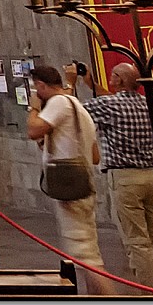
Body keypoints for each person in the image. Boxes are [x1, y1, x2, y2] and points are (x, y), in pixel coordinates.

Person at [83, 61, 153, 293]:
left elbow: (75, 110)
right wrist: (91, 84)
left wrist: (70, 82)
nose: (110, 79)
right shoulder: (148, 104)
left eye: (113, 76)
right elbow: (114, 101)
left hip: (125, 178)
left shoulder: (108, 104)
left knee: (138, 242)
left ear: (120, 80)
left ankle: (151, 292)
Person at [25, 64, 105, 291]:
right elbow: (95, 156)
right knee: (88, 252)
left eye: (36, 88)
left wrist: (33, 109)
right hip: (83, 183)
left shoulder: (60, 103)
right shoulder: (78, 107)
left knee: (86, 257)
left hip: (71, 188)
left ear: (41, 85)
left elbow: (33, 130)